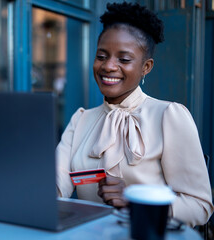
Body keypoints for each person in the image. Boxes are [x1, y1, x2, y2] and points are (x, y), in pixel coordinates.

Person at [56, 2, 213, 227]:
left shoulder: (168, 117)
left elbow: (200, 206)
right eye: (101, 56)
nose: (108, 66)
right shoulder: (81, 120)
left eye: (124, 59)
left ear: (146, 67)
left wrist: (136, 203)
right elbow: (55, 186)